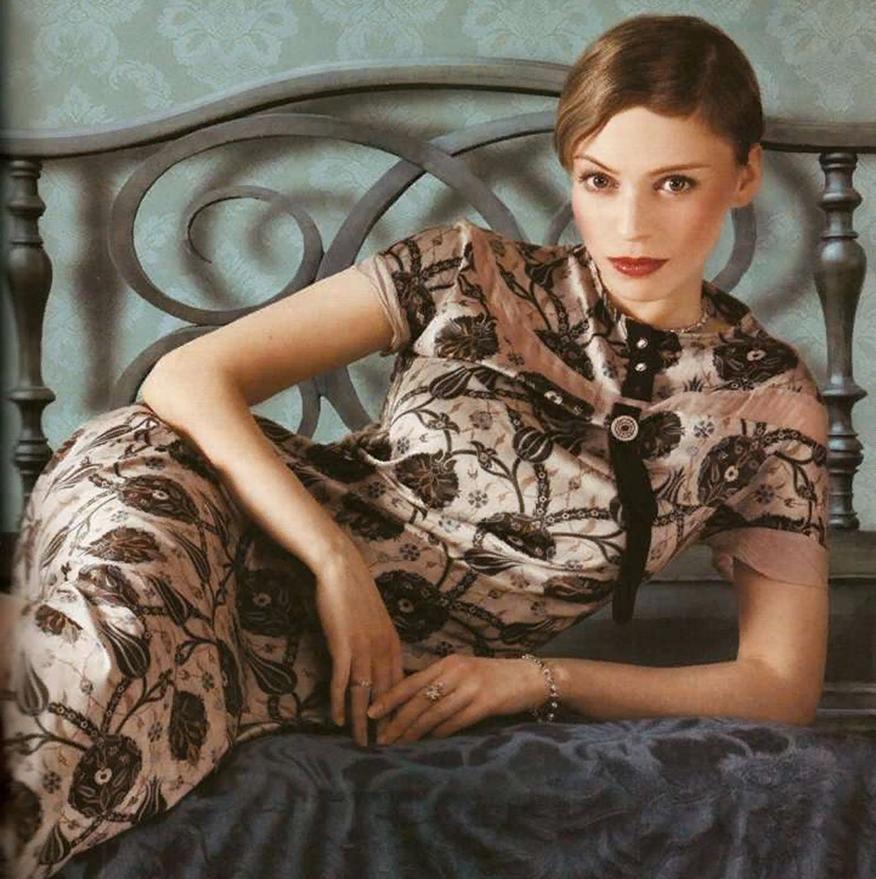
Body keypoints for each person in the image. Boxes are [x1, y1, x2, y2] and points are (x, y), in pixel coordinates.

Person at [1, 12, 830, 878]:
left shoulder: (768, 409)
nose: (629, 225)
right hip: (197, 495)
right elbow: (186, 376)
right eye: (599, 179)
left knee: (81, 704)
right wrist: (334, 562)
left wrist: (536, 679)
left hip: (305, 665)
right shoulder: (467, 271)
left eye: (674, 184)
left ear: (745, 176)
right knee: (99, 664)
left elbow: (779, 685)